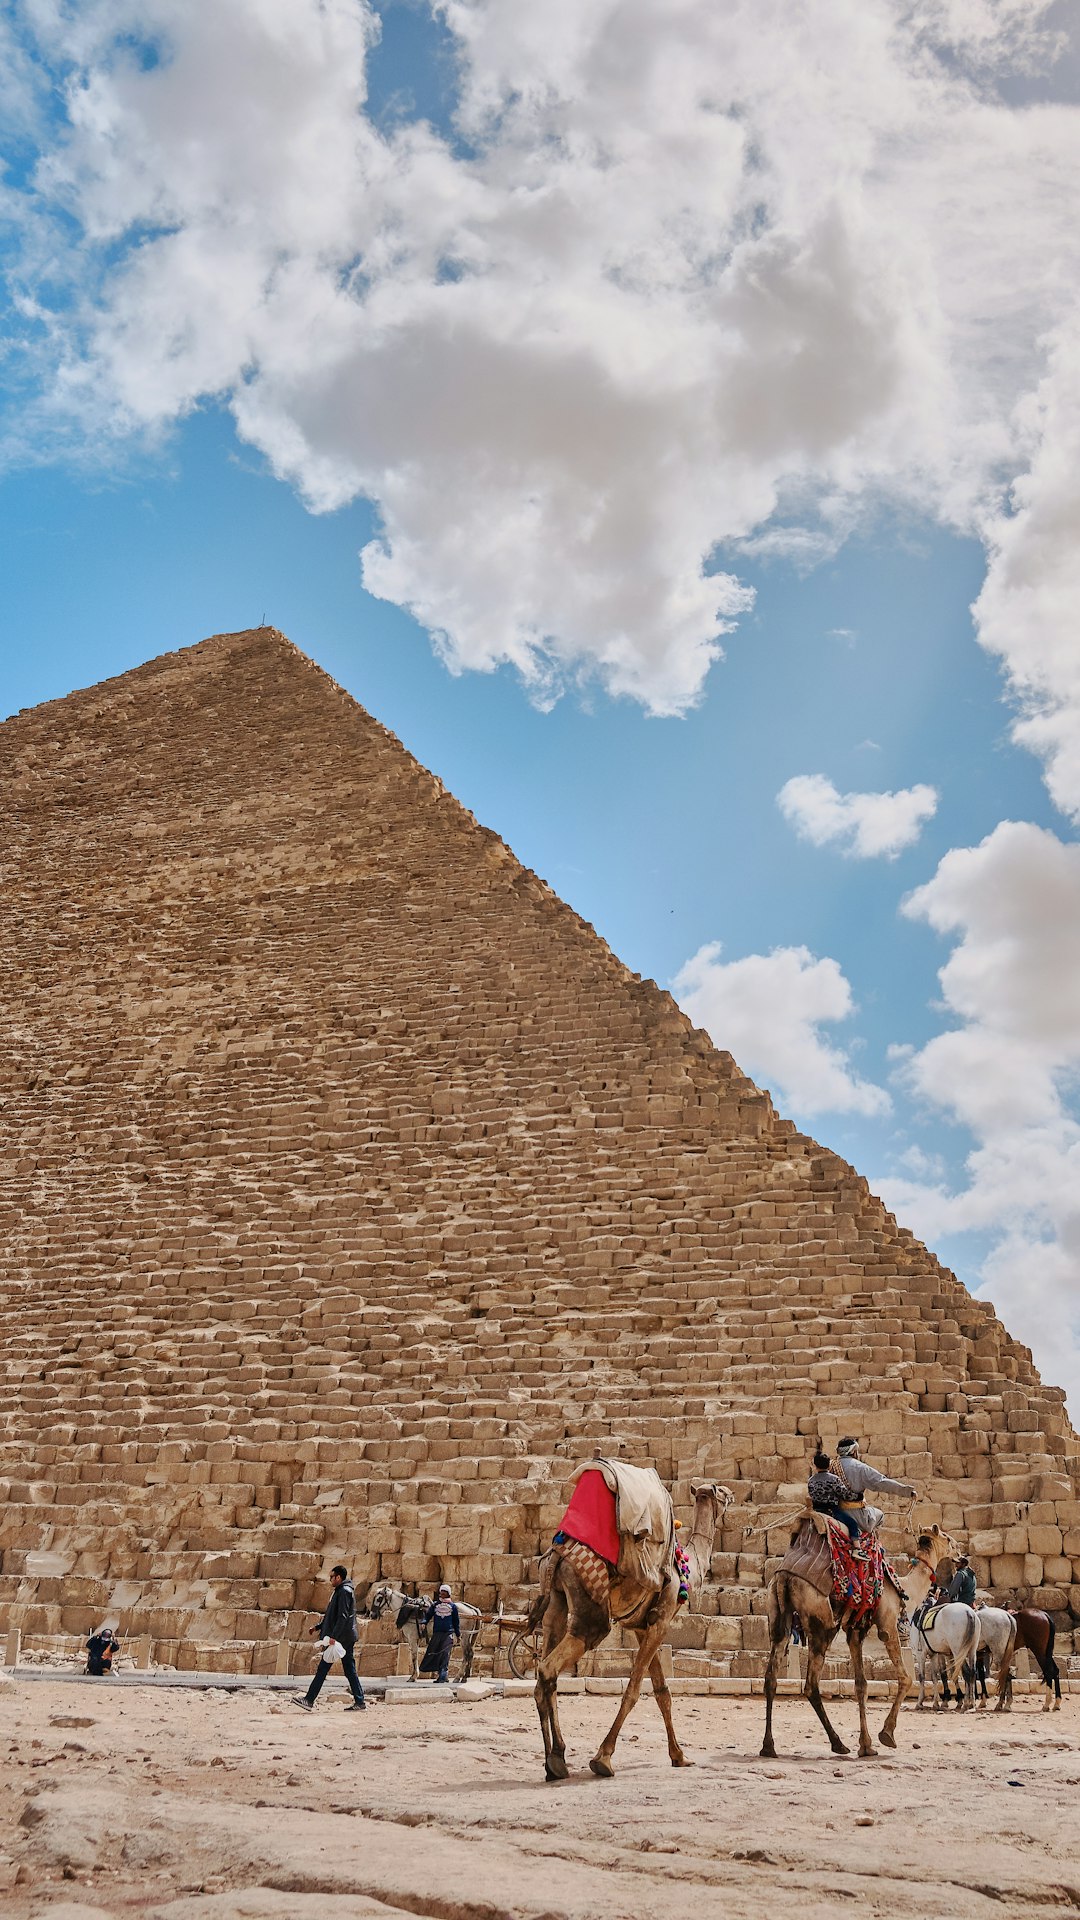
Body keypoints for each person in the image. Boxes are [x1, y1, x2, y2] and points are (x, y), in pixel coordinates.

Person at [294, 1565, 367, 1711]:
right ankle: (360, 1701)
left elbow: (343, 1617)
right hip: (343, 1636)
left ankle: (309, 1700)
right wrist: (318, 1627)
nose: (330, 1579)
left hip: (341, 1637)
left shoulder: (344, 1592)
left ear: (338, 1577)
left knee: (323, 1668)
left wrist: (334, 1637)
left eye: (332, 1577)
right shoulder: (340, 1591)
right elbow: (332, 1616)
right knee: (349, 1669)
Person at [833, 1437, 916, 1537]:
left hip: (833, 1511)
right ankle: (867, 1546)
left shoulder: (830, 1465)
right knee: (879, 1515)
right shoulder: (860, 1468)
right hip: (854, 1513)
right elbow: (881, 1483)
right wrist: (907, 1492)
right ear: (854, 1452)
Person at [807, 1449, 861, 1540]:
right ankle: (857, 1548)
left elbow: (812, 1495)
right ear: (828, 1465)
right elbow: (845, 1495)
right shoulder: (834, 1479)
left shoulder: (811, 1480)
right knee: (852, 1524)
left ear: (815, 1465)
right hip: (832, 1511)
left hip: (816, 1511)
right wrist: (858, 1496)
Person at [420, 1584, 460, 1684]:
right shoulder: (435, 1605)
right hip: (437, 1633)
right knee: (435, 1653)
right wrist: (424, 1622)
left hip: (448, 1633)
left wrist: (458, 1634)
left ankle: (443, 1675)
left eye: (444, 1592)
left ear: (448, 1594)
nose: (442, 1593)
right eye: (441, 1591)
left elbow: (456, 1622)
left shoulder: (453, 1607)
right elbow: (428, 1615)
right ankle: (441, 1675)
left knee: (445, 1653)